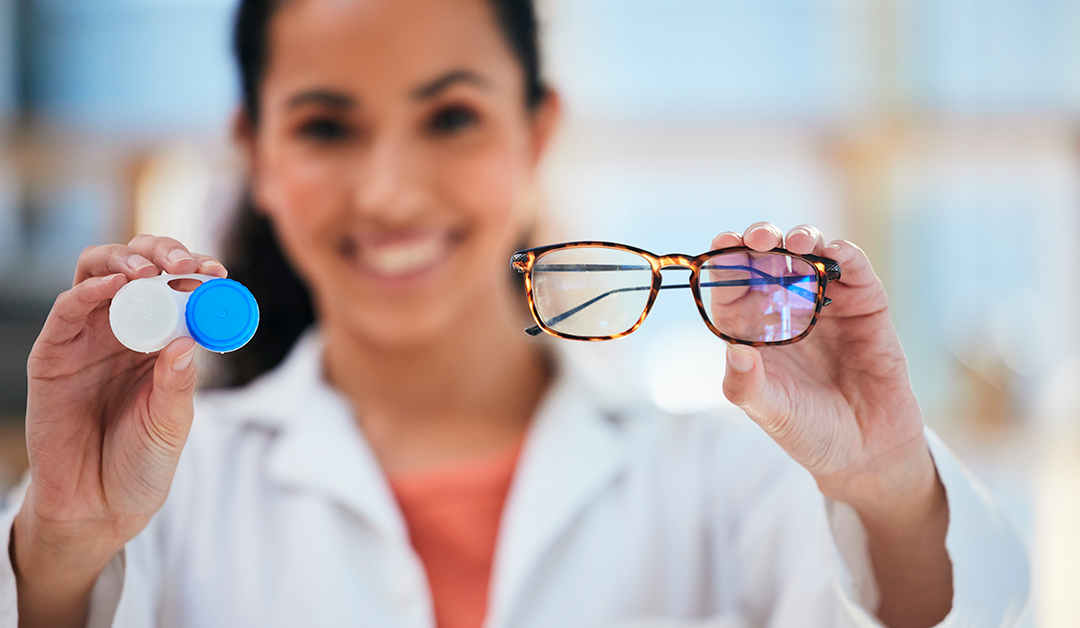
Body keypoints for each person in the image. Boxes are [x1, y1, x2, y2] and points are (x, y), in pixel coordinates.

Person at [0, 0, 1029, 626]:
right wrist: (64, 548)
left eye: (451, 116)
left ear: (537, 135)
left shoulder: (734, 479)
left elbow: (969, 614)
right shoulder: (166, 498)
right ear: (258, 153)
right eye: (325, 126)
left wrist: (889, 483)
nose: (392, 191)